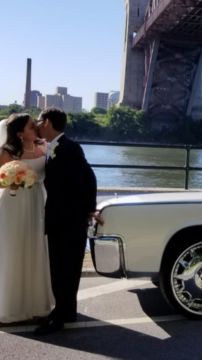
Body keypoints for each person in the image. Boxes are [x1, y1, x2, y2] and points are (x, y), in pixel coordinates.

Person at [34, 107, 97, 335]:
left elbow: (89, 178)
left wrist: (89, 210)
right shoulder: (52, 148)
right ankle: (65, 311)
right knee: (60, 267)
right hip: (59, 219)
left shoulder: (70, 148)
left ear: (48, 122)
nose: (37, 125)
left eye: (39, 121)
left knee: (65, 269)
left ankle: (59, 318)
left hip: (70, 221)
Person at [0, 114, 55, 324]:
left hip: (37, 201)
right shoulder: (8, 152)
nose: (36, 127)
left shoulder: (45, 147)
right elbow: (1, 181)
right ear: (20, 133)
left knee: (35, 247)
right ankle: (10, 305)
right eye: (32, 126)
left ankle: (35, 303)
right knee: (13, 248)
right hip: (13, 203)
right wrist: (12, 182)